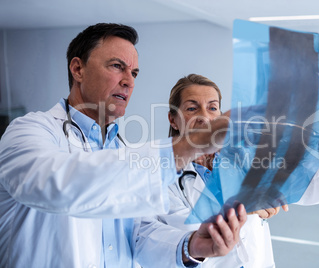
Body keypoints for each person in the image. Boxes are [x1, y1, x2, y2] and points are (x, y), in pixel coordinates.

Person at [0, 24, 247, 268]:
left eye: (135, 73)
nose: (129, 81)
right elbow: (54, 184)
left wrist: (190, 246)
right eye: (117, 66)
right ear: (78, 69)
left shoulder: (122, 150)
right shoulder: (29, 131)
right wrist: (190, 145)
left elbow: (139, 235)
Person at [135, 74, 319, 267]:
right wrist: (242, 206)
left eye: (213, 107)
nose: (205, 115)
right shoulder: (156, 172)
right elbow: (154, 243)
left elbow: (313, 188)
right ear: (173, 119)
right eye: (192, 108)